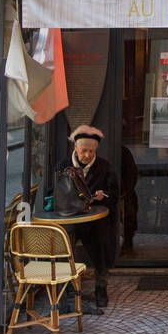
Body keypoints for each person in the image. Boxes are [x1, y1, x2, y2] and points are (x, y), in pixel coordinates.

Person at [62, 125, 121, 308]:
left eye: (91, 151)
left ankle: (100, 287)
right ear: (76, 149)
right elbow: (52, 192)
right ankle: (66, 289)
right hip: (70, 218)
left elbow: (115, 193)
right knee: (62, 245)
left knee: (101, 245)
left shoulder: (105, 167)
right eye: (83, 151)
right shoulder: (64, 166)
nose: (87, 155)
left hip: (95, 221)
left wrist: (103, 196)